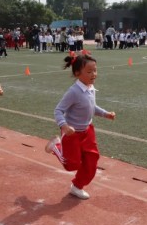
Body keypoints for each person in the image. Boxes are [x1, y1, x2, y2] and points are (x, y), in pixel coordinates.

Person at [45, 52, 116, 200]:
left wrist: (105, 114)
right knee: (72, 165)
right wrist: (64, 126)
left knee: (92, 161)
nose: (94, 74)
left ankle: (77, 187)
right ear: (77, 73)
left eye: (95, 70)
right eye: (89, 71)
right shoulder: (73, 92)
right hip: (72, 134)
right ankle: (56, 147)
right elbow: (58, 110)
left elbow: (92, 107)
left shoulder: (90, 88)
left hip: (88, 131)